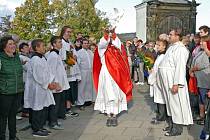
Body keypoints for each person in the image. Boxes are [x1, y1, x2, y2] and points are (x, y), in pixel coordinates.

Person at [93, 27, 133, 127]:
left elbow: (118, 43)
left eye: (111, 38)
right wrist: (106, 34)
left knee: (115, 93)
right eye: (108, 37)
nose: (110, 39)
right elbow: (102, 44)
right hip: (106, 74)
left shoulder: (117, 49)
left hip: (117, 76)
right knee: (106, 93)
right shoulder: (102, 50)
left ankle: (114, 114)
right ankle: (108, 114)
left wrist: (113, 33)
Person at [158, 29, 193, 136]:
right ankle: (172, 124)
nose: (169, 36)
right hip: (167, 80)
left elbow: (180, 68)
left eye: (171, 35)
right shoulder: (172, 47)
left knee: (175, 104)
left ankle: (177, 128)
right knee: (170, 103)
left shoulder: (181, 49)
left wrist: (176, 83)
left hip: (173, 80)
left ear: (177, 36)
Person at [24, 39, 58, 137]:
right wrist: (48, 85)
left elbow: (48, 71)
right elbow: (38, 76)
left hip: (43, 87)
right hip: (37, 88)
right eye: (43, 46)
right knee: (37, 108)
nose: (45, 47)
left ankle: (40, 126)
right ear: (37, 48)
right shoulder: (35, 59)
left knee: (43, 107)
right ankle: (36, 129)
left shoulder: (42, 58)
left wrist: (52, 82)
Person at [0, 36, 24, 140]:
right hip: (5, 93)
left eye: (13, 43)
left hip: (17, 91)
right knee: (2, 117)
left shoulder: (17, 57)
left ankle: (13, 137)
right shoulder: (0, 59)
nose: (13, 45)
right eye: (10, 44)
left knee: (13, 115)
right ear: (4, 47)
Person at [47, 36, 70, 130]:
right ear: (54, 44)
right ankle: (52, 123)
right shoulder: (52, 55)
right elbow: (51, 71)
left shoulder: (57, 54)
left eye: (61, 42)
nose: (61, 43)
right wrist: (56, 83)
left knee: (58, 103)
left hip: (60, 83)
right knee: (55, 104)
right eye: (59, 42)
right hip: (56, 84)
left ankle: (55, 120)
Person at [59, 26, 79, 118]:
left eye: (70, 32)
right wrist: (69, 58)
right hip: (65, 68)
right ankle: (66, 109)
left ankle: (69, 107)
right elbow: (61, 55)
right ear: (63, 32)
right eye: (68, 32)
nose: (69, 34)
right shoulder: (61, 42)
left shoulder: (69, 42)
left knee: (71, 88)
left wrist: (74, 56)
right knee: (66, 89)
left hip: (72, 68)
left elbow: (74, 52)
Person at [148, 39, 168, 124]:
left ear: (164, 46)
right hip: (156, 79)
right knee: (158, 98)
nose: (157, 46)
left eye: (159, 45)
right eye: (157, 45)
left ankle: (161, 117)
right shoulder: (159, 55)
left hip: (159, 80)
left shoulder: (164, 56)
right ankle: (160, 114)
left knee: (161, 99)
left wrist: (153, 72)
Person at [77, 38, 96, 108]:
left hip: (90, 71)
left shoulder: (90, 52)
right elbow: (78, 64)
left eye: (87, 43)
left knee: (89, 86)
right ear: (82, 44)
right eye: (84, 43)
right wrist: (78, 75)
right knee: (82, 87)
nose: (86, 44)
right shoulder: (79, 52)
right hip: (82, 71)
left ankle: (88, 100)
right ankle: (80, 103)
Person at [19, 42, 30, 118]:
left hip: (28, 80)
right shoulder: (20, 57)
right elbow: (27, 68)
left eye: (27, 47)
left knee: (28, 96)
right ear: (21, 49)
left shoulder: (28, 57)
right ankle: (24, 111)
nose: (27, 49)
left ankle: (26, 110)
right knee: (25, 96)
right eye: (25, 47)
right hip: (24, 80)